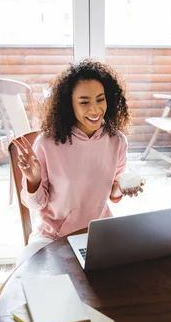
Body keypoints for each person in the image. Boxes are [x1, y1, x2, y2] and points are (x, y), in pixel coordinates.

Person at [13, 59, 144, 267]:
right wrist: (33, 180)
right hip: (54, 237)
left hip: (99, 236)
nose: (95, 110)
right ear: (69, 105)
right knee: (27, 272)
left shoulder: (117, 140)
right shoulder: (47, 143)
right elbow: (36, 204)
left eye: (100, 99)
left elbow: (112, 194)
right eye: (84, 102)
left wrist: (122, 188)